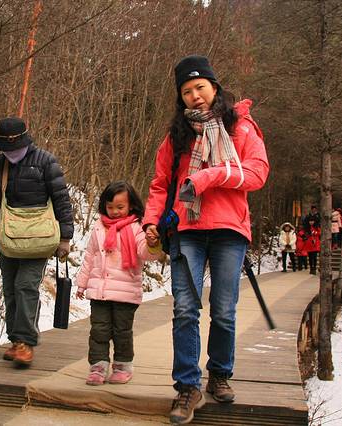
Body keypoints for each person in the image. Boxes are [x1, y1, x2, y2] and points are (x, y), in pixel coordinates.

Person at [142, 55, 269, 424]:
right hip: (187, 230)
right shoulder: (177, 136)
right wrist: (151, 221)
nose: (195, 95)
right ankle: (187, 386)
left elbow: (258, 173)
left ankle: (219, 374)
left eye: (200, 87)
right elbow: (161, 184)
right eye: (187, 91)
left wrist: (209, 177)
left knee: (224, 310)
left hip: (230, 228)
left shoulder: (241, 127)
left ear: (215, 87)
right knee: (185, 308)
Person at [0, 117, 73, 367]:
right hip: (9, 239)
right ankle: (16, 340)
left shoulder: (46, 162)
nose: (11, 152)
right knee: (11, 290)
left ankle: (25, 342)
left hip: (40, 240)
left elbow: (62, 201)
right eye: (6, 148)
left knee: (26, 286)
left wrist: (65, 238)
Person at [75, 181, 161, 386]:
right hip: (100, 290)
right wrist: (82, 283)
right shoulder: (99, 227)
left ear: (131, 206)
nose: (114, 211)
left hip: (125, 292)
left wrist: (153, 243)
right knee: (99, 330)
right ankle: (98, 367)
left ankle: (122, 366)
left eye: (120, 207)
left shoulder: (137, 228)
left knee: (122, 331)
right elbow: (90, 257)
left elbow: (146, 254)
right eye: (110, 207)